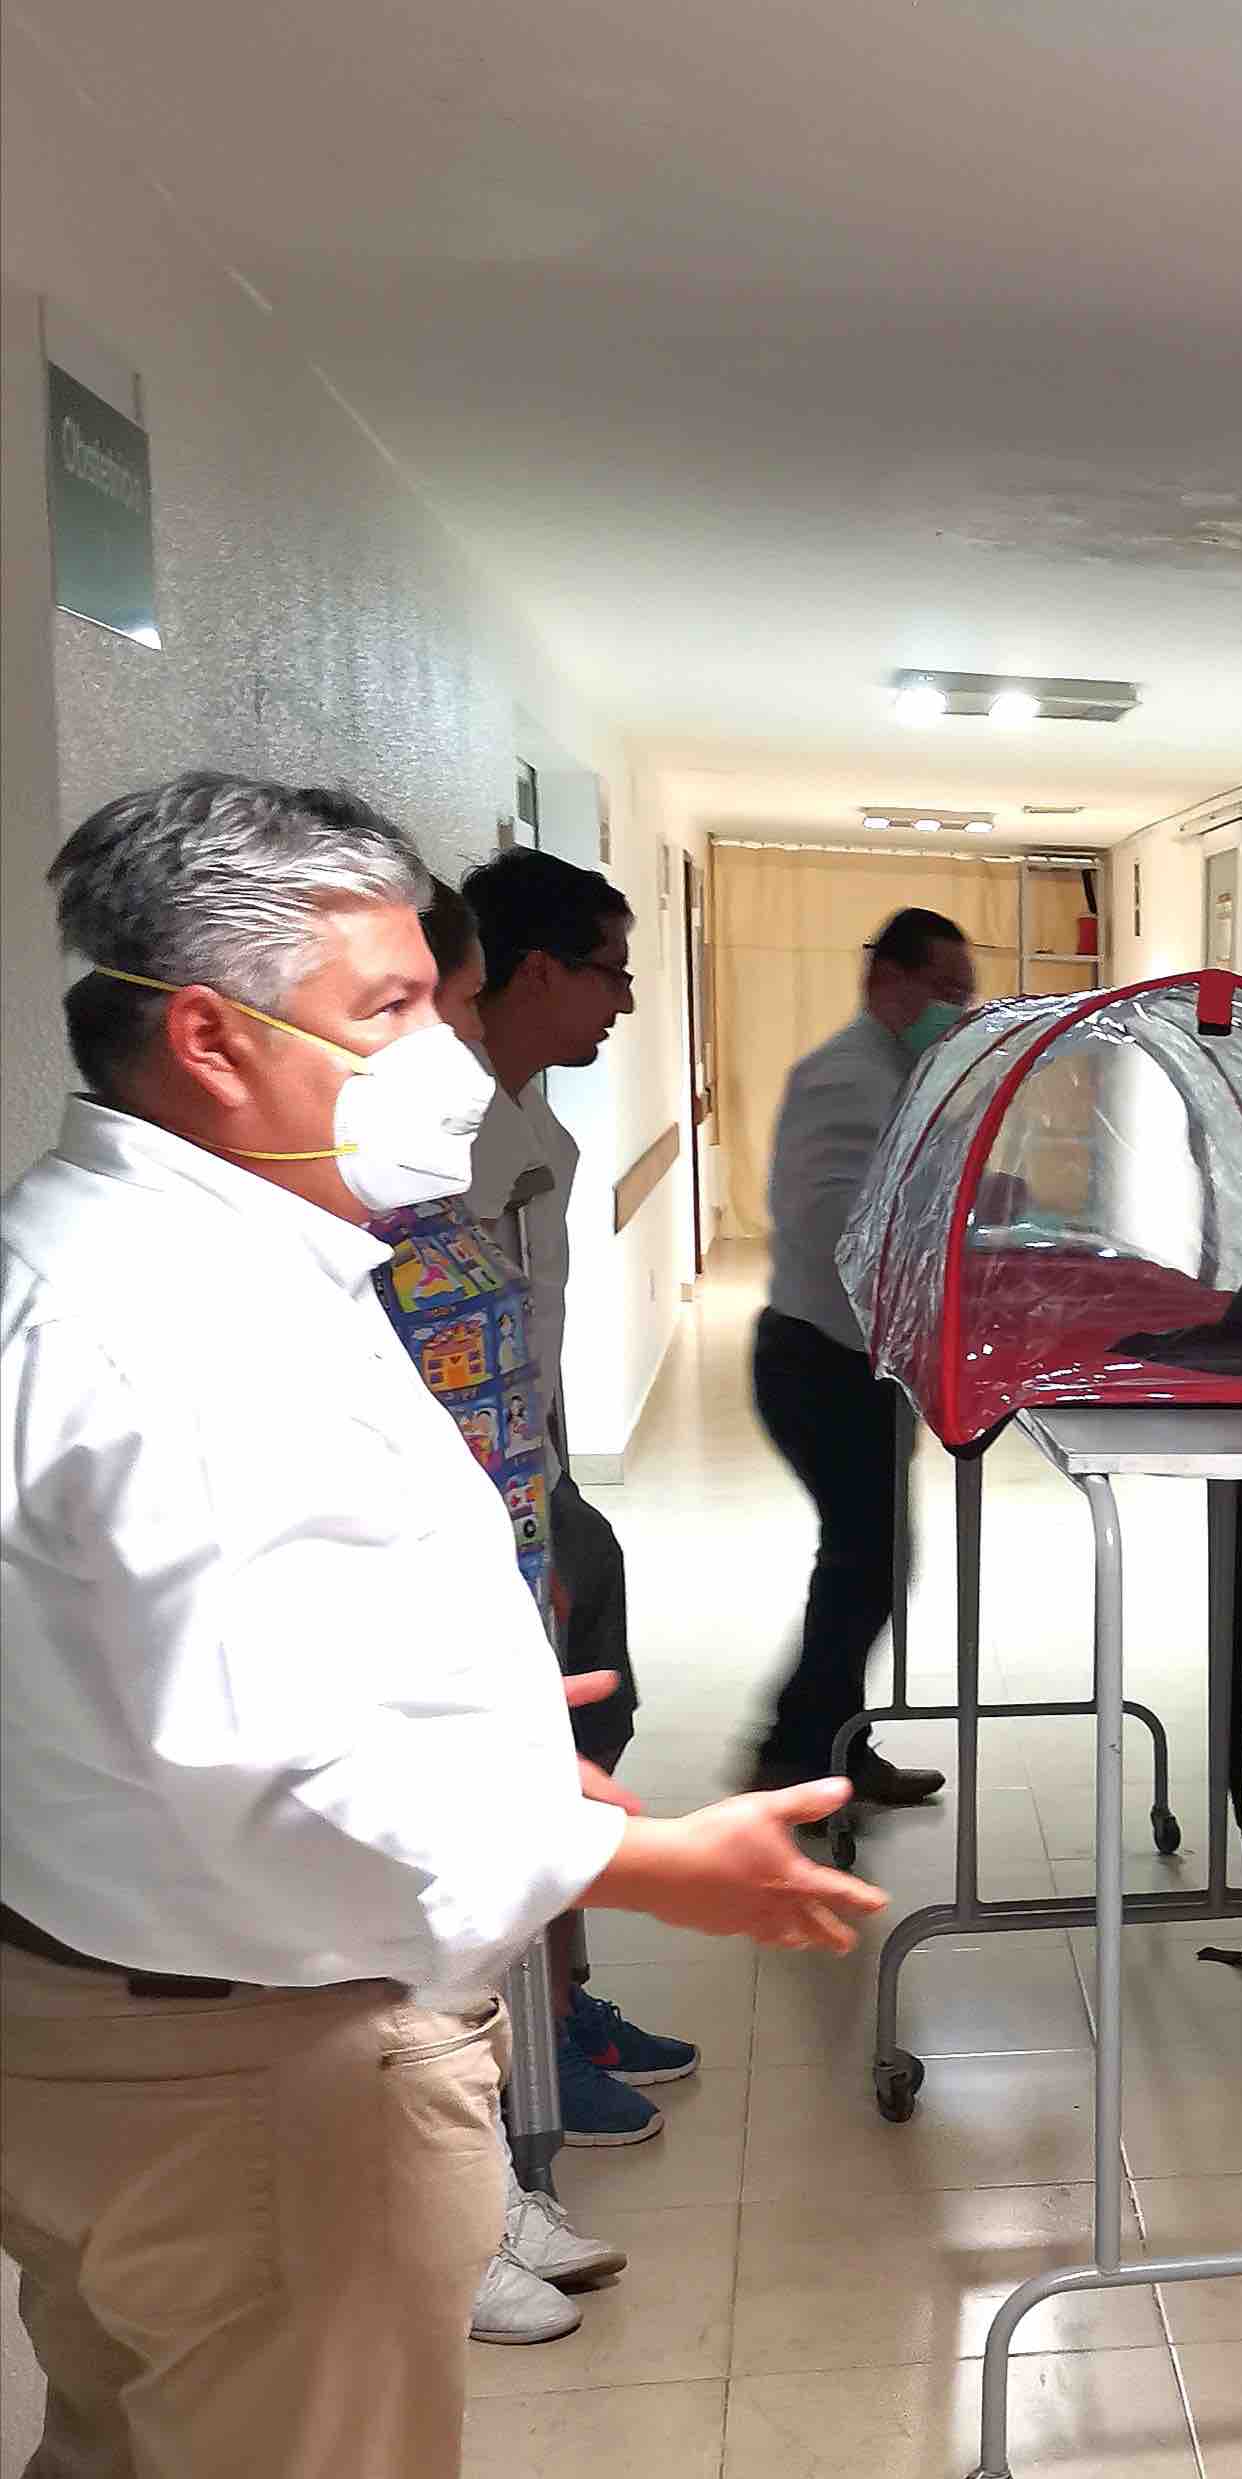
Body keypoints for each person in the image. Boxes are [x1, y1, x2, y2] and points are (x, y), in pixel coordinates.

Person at [0, 774, 883, 2479]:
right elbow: (260, 1751)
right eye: (387, 1003)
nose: (439, 1048)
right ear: (211, 1032)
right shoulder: (173, 1324)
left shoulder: (119, 1253)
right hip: (255, 2055)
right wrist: (623, 1851)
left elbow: (205, 1673)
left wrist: (497, 1724)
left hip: (91, 2008)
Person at [392, 877, 622, 2347]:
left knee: (522, 1821)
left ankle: (502, 2147)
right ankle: (461, 2208)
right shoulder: (374, 1186)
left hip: (512, 1517)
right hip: (433, 1570)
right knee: (434, 1886)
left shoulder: (463, 1152)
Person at [461, 846, 695, 2143]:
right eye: (611, 972)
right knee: (530, 1771)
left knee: (589, 1745)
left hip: (542, 1487)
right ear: (537, 971)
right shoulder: (444, 1146)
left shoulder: (527, 1122)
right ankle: (527, 2050)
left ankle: (566, 2001)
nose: (626, 1000)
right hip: (484, 1513)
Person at [745, 905, 975, 1805]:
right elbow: (836, 1220)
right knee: (865, 1563)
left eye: (964, 994)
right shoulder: (845, 1077)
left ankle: (827, 1742)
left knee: (868, 1560)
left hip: (859, 1356)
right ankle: (799, 1753)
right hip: (821, 1359)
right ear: (887, 979)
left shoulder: (898, 1073)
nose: (954, 1008)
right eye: (943, 990)